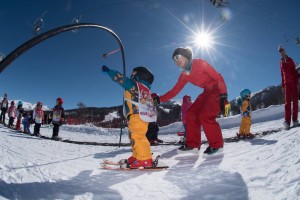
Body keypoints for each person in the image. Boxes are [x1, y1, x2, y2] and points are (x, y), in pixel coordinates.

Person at [158, 47, 227, 155]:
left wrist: (223, 95)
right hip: (206, 92)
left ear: (186, 56)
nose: (176, 62)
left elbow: (218, 77)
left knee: (205, 116)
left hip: (216, 90)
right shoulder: (185, 75)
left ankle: (217, 145)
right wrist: (159, 99)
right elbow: (174, 90)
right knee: (191, 113)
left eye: (177, 57)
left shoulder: (199, 63)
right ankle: (193, 145)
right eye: (174, 60)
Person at [102, 65, 156, 168]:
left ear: (140, 76)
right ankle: (137, 156)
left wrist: (110, 71)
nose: (132, 75)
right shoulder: (145, 89)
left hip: (137, 115)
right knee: (134, 137)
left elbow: (121, 79)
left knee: (137, 136)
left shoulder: (134, 85)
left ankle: (145, 159)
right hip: (140, 116)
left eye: (134, 74)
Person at [278, 45, 298, 129]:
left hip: (293, 82)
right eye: (280, 51)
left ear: (284, 50)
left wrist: (297, 83)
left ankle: (295, 120)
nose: (281, 52)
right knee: (287, 103)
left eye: (282, 50)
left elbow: (294, 71)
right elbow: (282, 75)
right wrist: (283, 85)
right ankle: (287, 121)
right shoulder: (281, 62)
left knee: (295, 101)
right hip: (286, 84)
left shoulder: (290, 60)